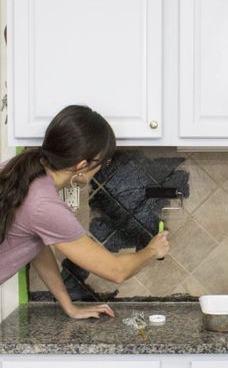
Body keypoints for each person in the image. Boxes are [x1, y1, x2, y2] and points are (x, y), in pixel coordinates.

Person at [0, 105, 169, 319]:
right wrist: (153, 250)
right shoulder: (45, 205)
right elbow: (116, 271)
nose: (102, 167)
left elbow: (36, 247)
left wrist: (68, 306)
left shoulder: (18, 170)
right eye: (103, 161)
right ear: (81, 165)